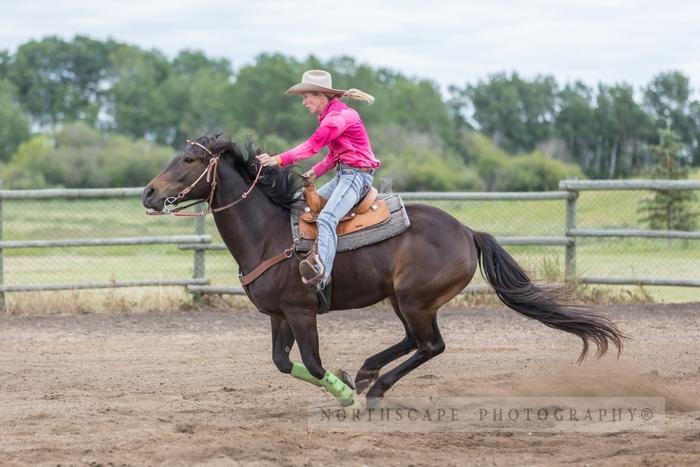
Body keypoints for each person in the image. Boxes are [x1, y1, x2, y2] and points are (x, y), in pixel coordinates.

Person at [257, 70, 380, 289]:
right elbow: (335, 154)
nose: (304, 102)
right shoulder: (332, 115)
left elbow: (313, 145)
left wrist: (279, 159)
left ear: (321, 95)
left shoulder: (337, 118)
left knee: (326, 218)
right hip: (347, 175)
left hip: (356, 177)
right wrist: (316, 172)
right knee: (302, 208)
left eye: (306, 96)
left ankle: (320, 277)